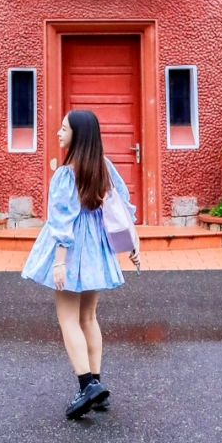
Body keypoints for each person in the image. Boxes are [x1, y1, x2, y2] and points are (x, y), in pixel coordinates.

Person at [21, 109, 139, 420]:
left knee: (68, 318)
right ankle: (97, 386)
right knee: (88, 316)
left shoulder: (66, 174)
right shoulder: (104, 168)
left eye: (64, 129)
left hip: (72, 251)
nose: (58, 133)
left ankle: (86, 385)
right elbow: (123, 207)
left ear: (78, 135)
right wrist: (131, 246)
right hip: (96, 251)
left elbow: (62, 222)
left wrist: (59, 264)